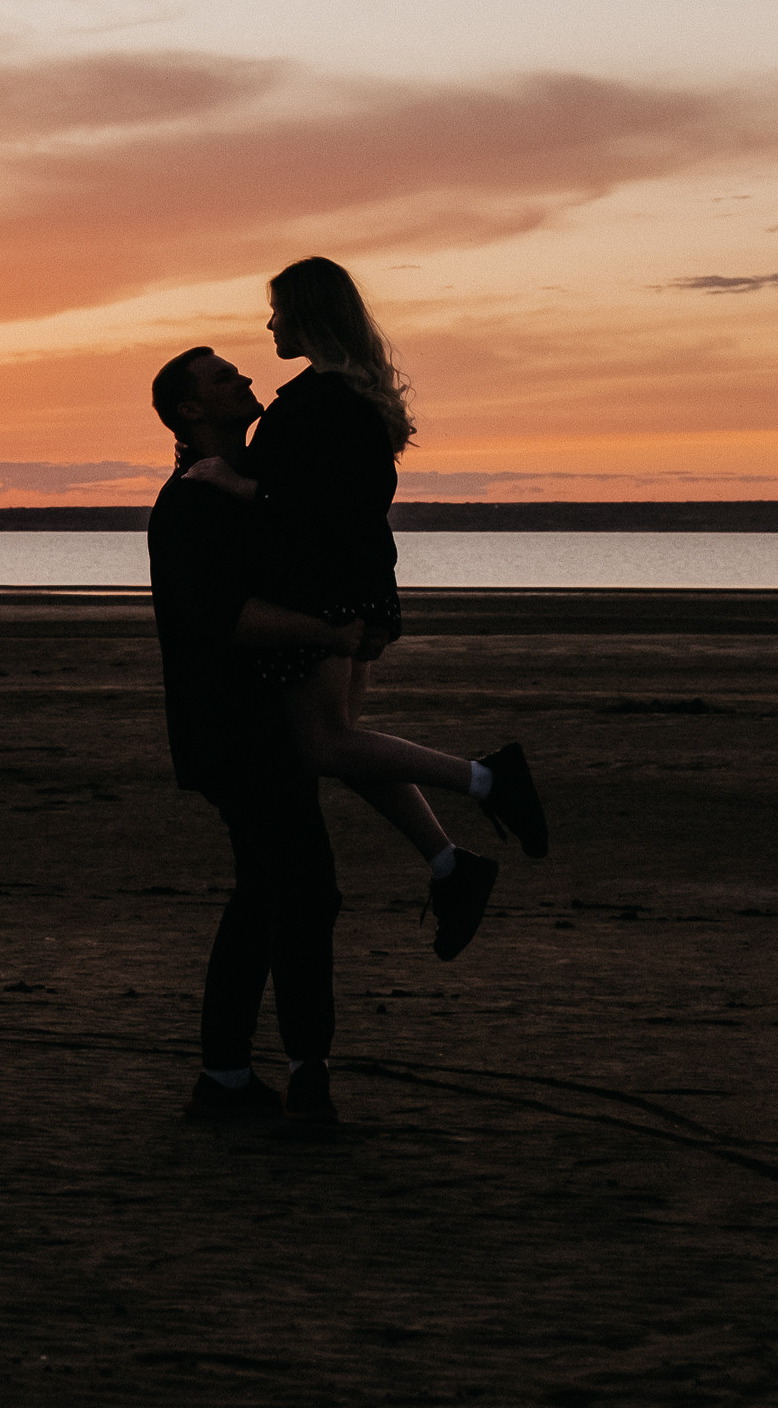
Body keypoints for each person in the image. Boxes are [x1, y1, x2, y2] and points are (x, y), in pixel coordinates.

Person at [183, 255, 549, 964]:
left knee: (321, 745)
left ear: (310, 315)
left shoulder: (320, 404)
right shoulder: (342, 398)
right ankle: (448, 862)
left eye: (279, 311)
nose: (269, 324)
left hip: (327, 592)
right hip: (356, 585)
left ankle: (487, 779)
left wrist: (236, 484)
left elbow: (331, 508)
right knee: (345, 744)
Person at [147, 341, 363, 1133]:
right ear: (190, 411)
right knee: (300, 891)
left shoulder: (240, 492)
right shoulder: (192, 501)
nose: (245, 379)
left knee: (273, 894)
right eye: (223, 379)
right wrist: (328, 633)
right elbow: (225, 619)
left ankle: (237, 1075)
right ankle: (277, 1075)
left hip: (254, 727)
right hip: (232, 733)